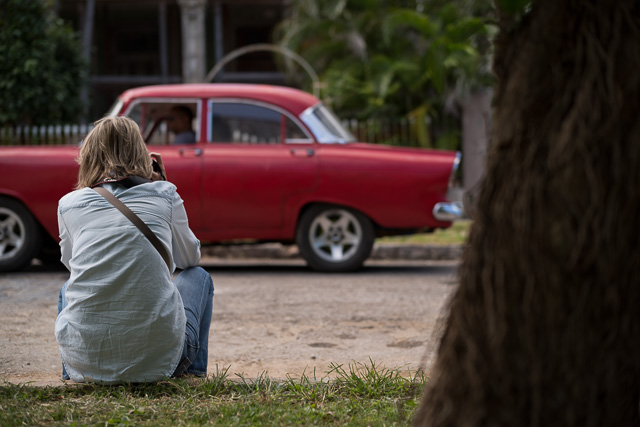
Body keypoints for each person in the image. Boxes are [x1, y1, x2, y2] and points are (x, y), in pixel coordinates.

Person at [55, 116, 213, 384]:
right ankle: (191, 372)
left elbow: (73, 264)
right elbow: (189, 259)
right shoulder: (164, 193)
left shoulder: (69, 204)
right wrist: (161, 183)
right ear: (141, 153)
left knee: (67, 287)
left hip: (85, 365)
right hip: (162, 362)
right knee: (198, 275)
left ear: (89, 156)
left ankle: (70, 371)